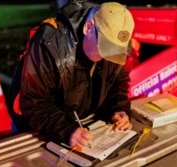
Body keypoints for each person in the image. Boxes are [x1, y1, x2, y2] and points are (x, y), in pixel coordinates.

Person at [8, 1, 135, 150]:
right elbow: (36, 104)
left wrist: (118, 109)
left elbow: (118, 83)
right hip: (39, 130)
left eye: (113, 51)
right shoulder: (49, 43)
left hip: (86, 128)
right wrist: (67, 131)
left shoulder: (118, 42)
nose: (107, 57)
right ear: (89, 27)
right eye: (105, 48)